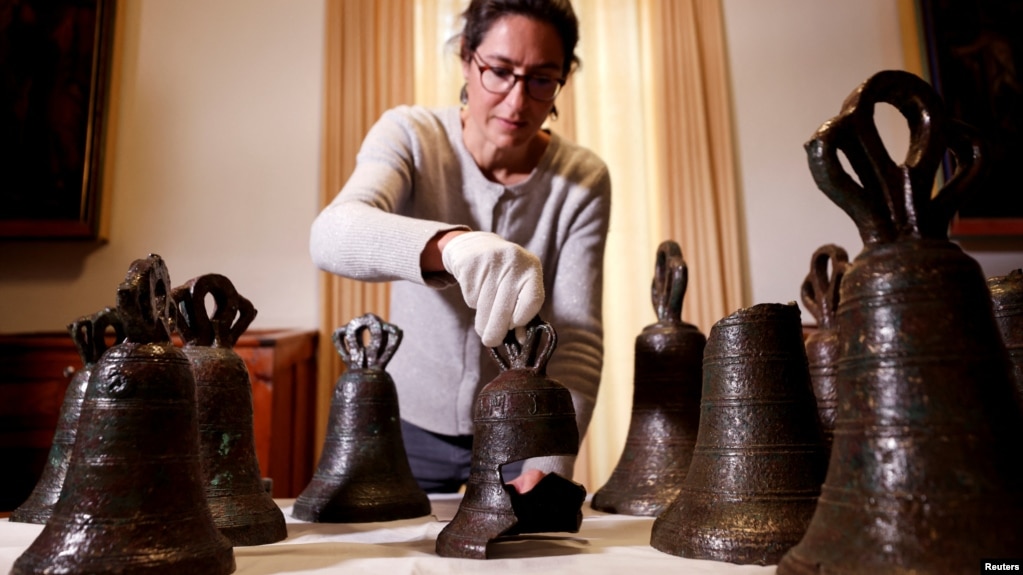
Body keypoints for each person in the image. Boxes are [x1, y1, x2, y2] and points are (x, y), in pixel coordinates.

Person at [309, 0, 611, 495]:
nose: (516, 102)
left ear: (562, 81)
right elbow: (331, 235)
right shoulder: (411, 135)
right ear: (467, 58)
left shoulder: (582, 179)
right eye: (499, 71)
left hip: (520, 438)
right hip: (405, 429)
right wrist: (452, 247)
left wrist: (551, 459)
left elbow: (577, 337)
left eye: (541, 80)